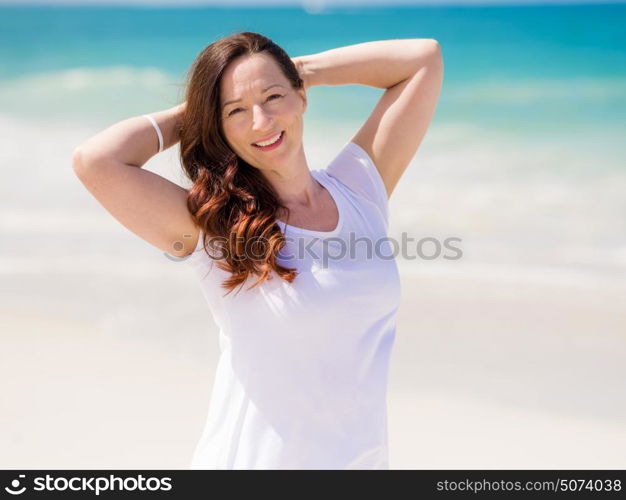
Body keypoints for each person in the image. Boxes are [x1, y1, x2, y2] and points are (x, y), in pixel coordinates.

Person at [72, 31, 443, 469]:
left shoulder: (358, 190)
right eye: (236, 112)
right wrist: (198, 111)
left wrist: (299, 71)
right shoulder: (217, 228)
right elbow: (96, 161)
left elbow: (423, 59)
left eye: (273, 97)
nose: (261, 121)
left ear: (300, 97)